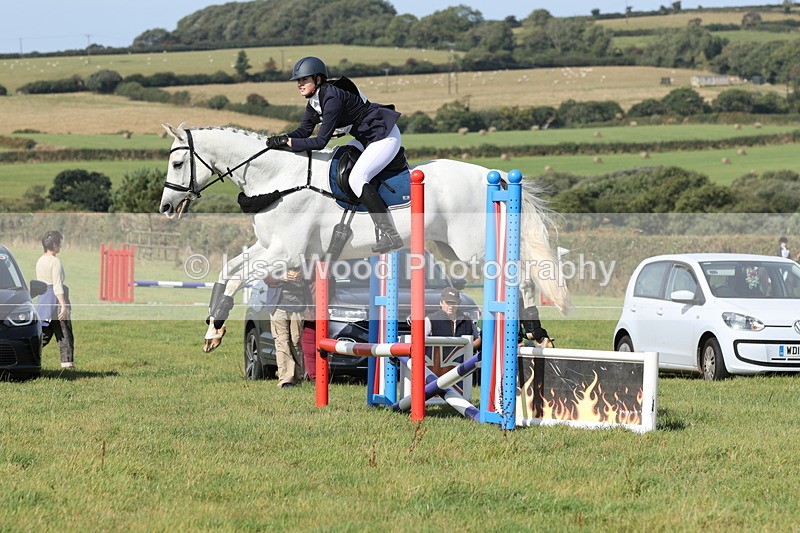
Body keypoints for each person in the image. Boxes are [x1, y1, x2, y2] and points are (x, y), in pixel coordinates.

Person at [265, 56, 404, 254]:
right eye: (298, 81)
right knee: (339, 162)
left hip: (384, 136)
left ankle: (390, 234)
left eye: (304, 80)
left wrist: (288, 143)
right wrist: (282, 139)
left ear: (318, 79)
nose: (299, 84)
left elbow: (320, 142)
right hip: (365, 139)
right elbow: (303, 132)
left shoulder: (332, 97)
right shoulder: (315, 102)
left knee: (357, 178)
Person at [264, 267, 311, 388]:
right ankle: (286, 379)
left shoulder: (304, 258)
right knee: (282, 341)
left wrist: (303, 276)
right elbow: (266, 278)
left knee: (295, 341)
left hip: (298, 306)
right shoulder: (276, 258)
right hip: (278, 307)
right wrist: (281, 277)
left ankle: (297, 378)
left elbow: (313, 277)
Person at [35, 230, 75, 369]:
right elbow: (57, 285)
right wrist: (63, 305)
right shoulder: (55, 262)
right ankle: (67, 364)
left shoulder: (40, 260)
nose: (61, 246)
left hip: (44, 301)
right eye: (59, 243)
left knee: (44, 334)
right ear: (54, 245)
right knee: (65, 333)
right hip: (56, 301)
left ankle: (27, 352)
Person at [424, 287, 481, 352]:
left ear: (458, 303)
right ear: (441, 303)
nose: (451, 306)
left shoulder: (467, 321)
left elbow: (478, 338)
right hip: (435, 361)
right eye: (448, 302)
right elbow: (419, 342)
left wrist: (467, 349)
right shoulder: (430, 320)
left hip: (463, 361)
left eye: (454, 303)